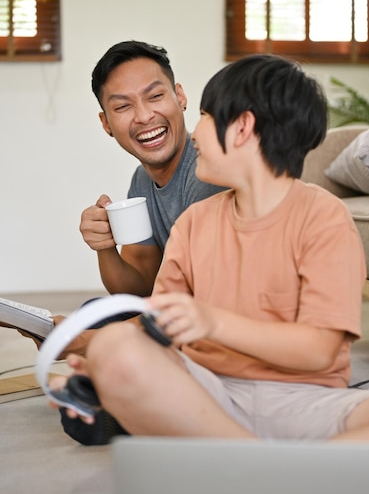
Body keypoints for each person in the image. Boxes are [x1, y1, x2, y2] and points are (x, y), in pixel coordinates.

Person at [51, 53, 369, 484]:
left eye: (205, 116)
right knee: (115, 346)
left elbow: (319, 349)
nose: (197, 134)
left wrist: (210, 322)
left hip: (304, 402)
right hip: (210, 393)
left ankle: (247, 472)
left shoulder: (325, 218)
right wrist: (97, 357)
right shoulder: (194, 224)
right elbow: (155, 325)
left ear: (241, 127)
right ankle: (276, 476)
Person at [3, 40, 225, 353]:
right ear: (106, 123)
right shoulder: (141, 181)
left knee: (98, 326)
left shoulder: (208, 174)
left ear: (180, 96)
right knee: (100, 309)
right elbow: (137, 290)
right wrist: (105, 247)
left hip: (209, 321)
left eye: (156, 96)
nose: (144, 116)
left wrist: (83, 338)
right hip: (171, 315)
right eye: (123, 106)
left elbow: (196, 304)